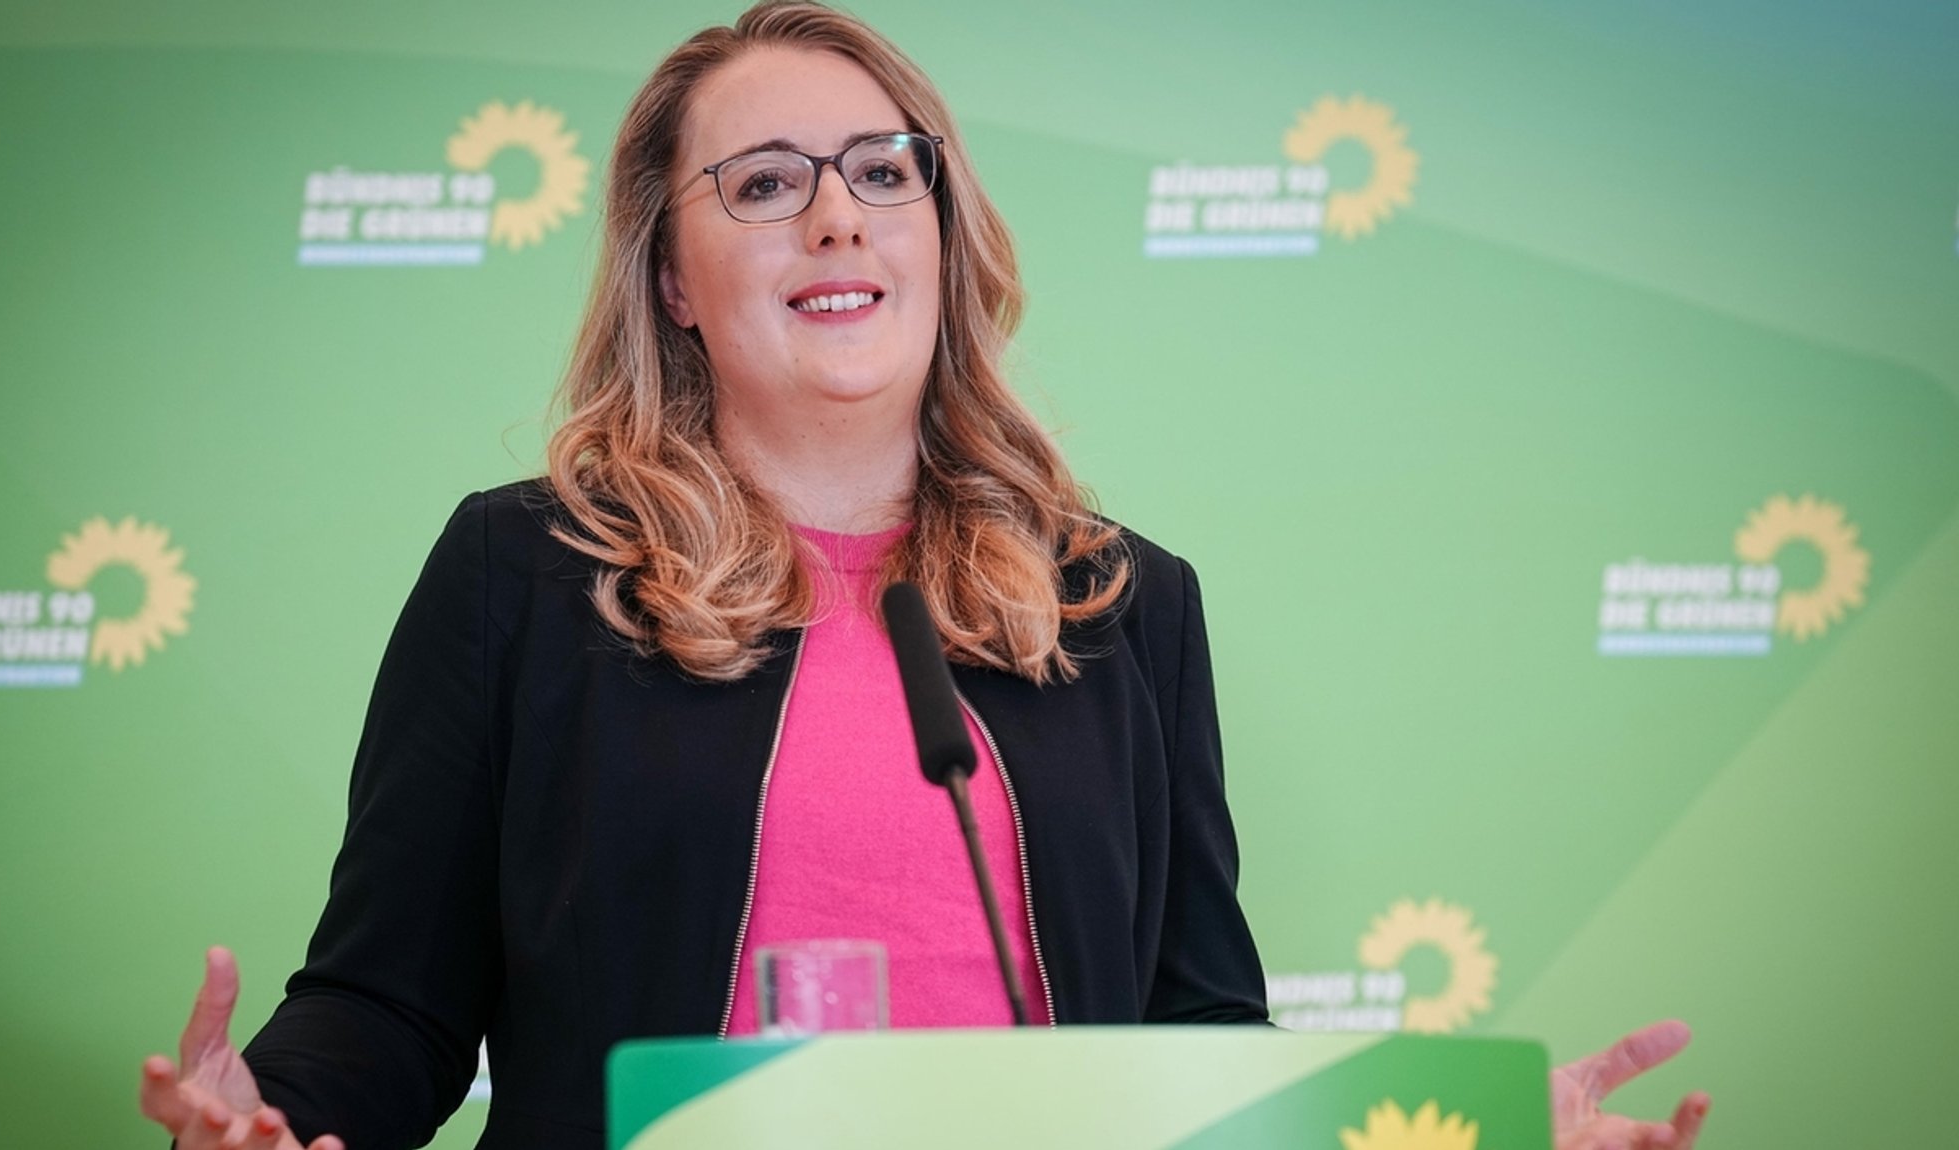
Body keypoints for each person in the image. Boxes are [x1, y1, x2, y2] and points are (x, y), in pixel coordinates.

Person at [138, 4, 1709, 1149]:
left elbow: (1198, 1047)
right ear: (673, 277)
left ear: (942, 233)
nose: (835, 211)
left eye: (885, 171)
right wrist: (274, 1108)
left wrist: (1471, 1133)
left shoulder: (1125, 604)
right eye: (762, 182)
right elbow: (393, 998)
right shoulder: (527, 571)